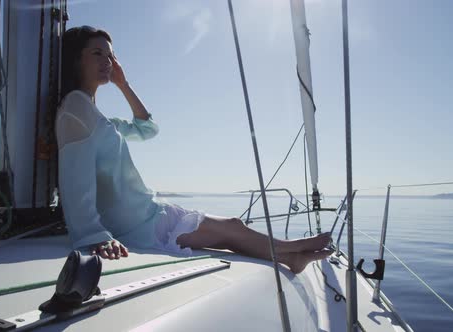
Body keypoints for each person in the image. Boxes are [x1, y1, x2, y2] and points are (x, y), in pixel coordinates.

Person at [55, 26, 331, 274]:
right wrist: (93, 235)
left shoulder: (99, 118)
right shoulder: (76, 108)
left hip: (149, 211)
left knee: (232, 228)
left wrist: (123, 84)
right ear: (77, 59)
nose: (107, 61)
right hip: (139, 225)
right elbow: (74, 178)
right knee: (230, 231)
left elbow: (147, 129)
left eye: (111, 56)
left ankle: (291, 257)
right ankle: (291, 251)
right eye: (97, 53)